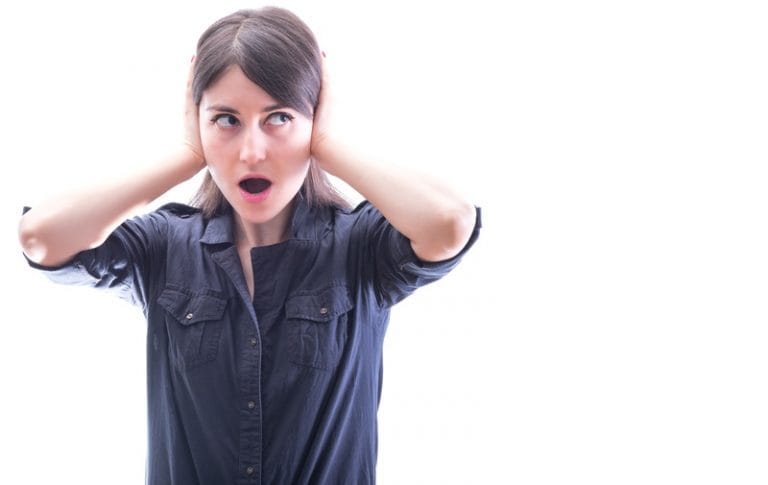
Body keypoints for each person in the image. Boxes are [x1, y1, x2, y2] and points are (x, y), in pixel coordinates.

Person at [18, 6, 480, 485]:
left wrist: (329, 142)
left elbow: (450, 222)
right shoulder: (166, 246)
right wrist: (187, 156)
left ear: (314, 118)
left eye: (278, 117)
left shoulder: (359, 247)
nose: (252, 152)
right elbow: (41, 236)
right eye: (227, 120)